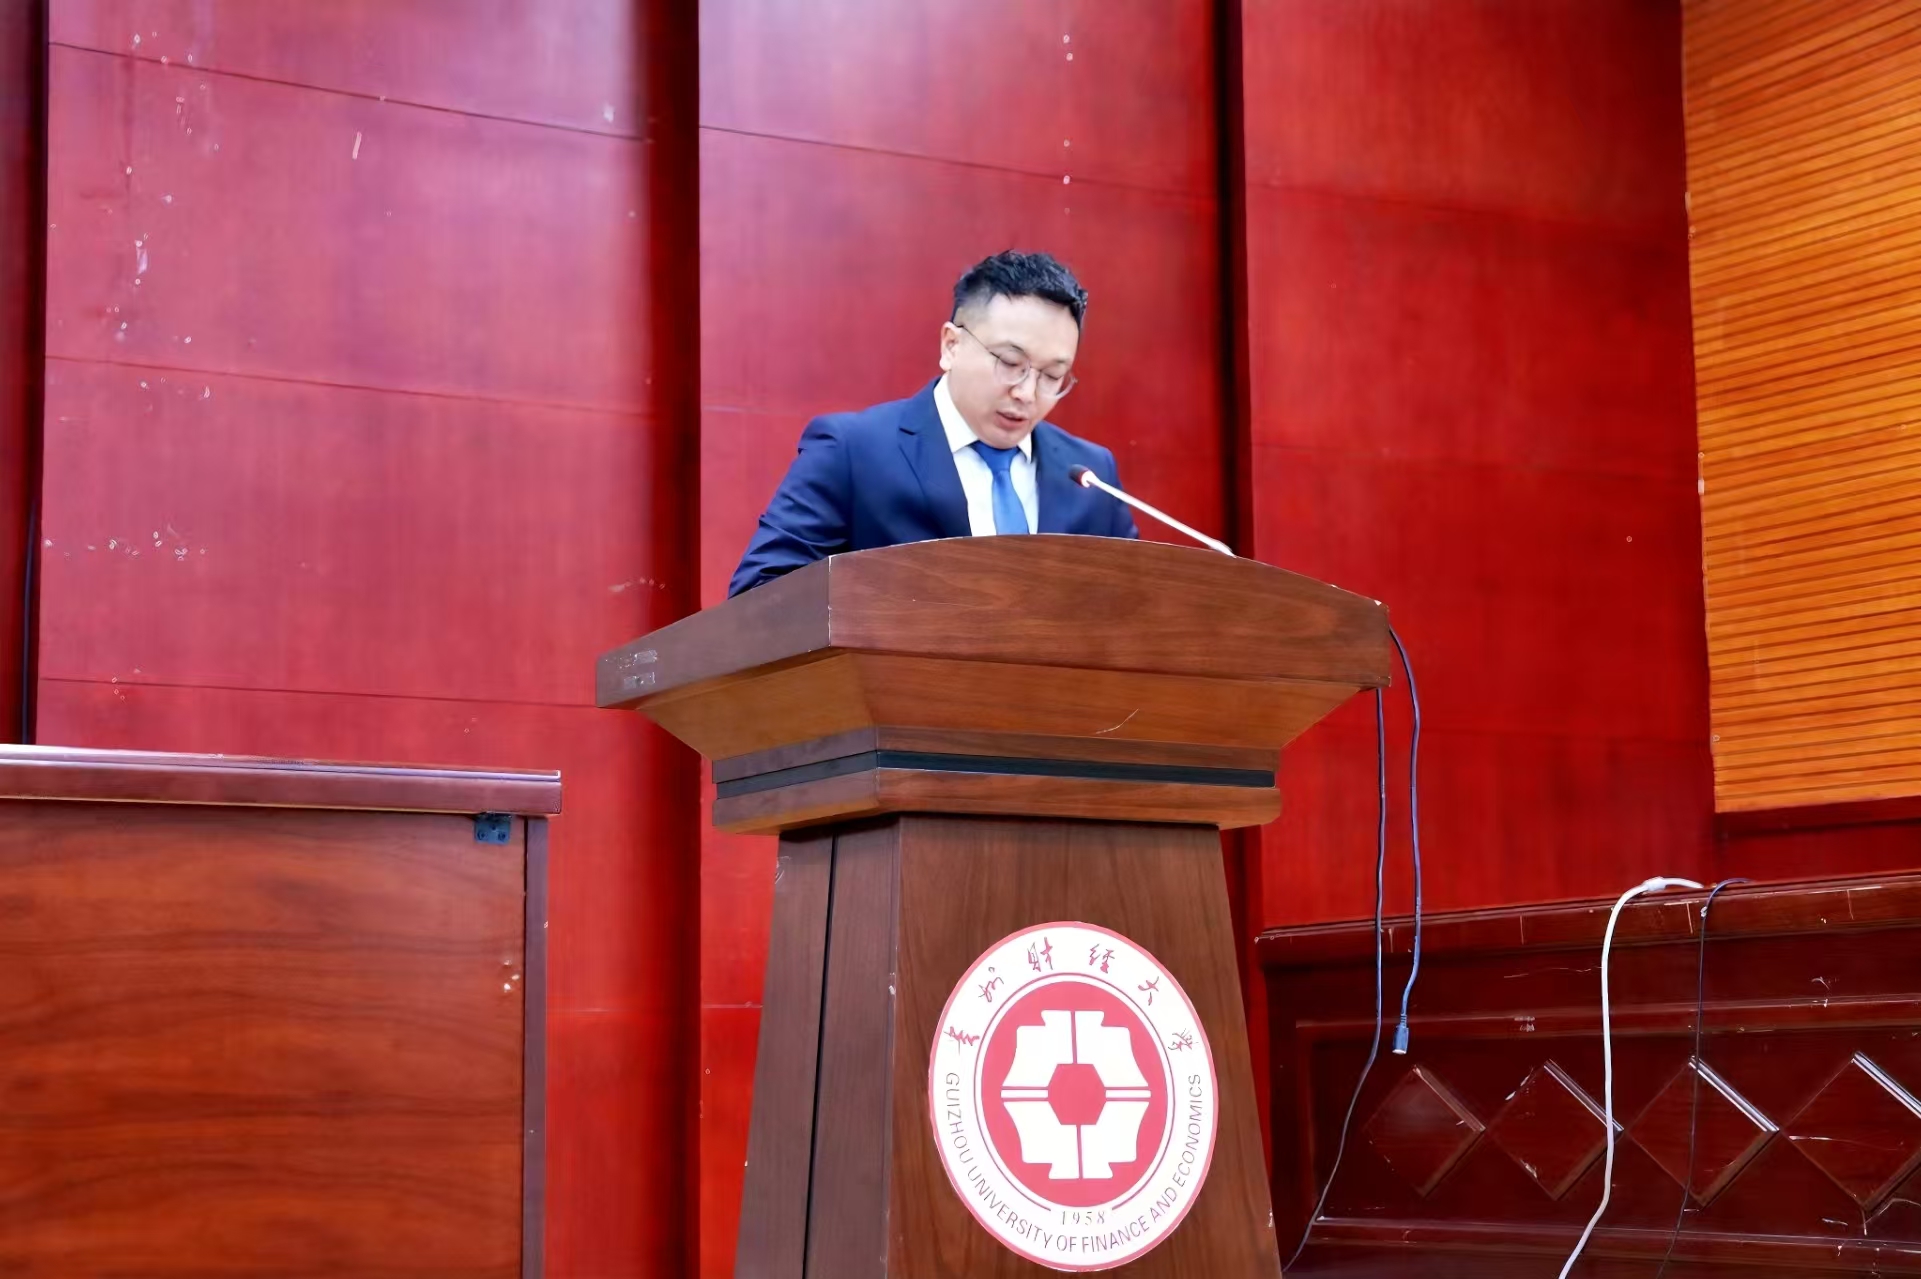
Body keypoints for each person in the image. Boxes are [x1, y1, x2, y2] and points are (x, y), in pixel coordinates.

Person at [727, 250, 1139, 596]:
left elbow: (1138, 607)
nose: (1027, 393)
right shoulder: (853, 451)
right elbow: (761, 593)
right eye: (1010, 363)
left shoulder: (1092, 476)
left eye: (1052, 376)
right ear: (951, 345)